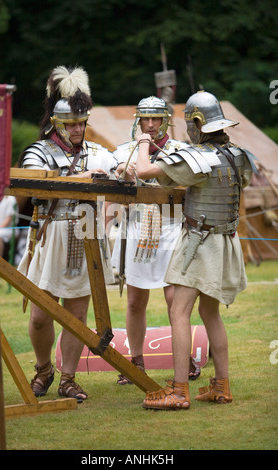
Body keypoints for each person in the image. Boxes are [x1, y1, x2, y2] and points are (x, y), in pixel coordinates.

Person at [135, 90, 257, 410]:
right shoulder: (238, 155)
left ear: (198, 123)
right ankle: (221, 385)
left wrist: (143, 142)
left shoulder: (199, 157)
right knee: (209, 312)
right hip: (225, 240)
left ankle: (178, 390)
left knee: (179, 312)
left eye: (190, 123)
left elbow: (144, 172)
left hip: (199, 244)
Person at [17, 66, 118, 402]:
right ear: (57, 124)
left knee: (77, 314)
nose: (77, 129)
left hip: (87, 231)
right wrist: (83, 176)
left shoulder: (96, 151)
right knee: (41, 315)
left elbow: (119, 167)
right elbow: (35, 187)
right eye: (71, 124)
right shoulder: (39, 152)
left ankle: (69, 378)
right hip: (52, 233)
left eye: (81, 123)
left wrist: (126, 166)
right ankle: (44, 368)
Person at [113, 96, 200, 384]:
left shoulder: (180, 151)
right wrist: (123, 173)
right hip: (138, 230)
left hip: (172, 228)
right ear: (138, 120)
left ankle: (183, 357)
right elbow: (120, 180)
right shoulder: (126, 151)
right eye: (145, 119)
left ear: (166, 120)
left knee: (175, 299)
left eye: (156, 119)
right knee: (136, 300)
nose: (150, 125)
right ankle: (135, 362)